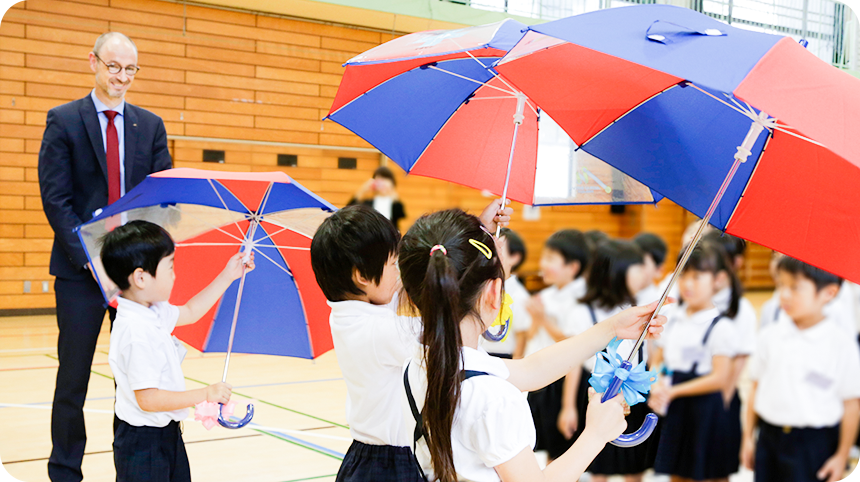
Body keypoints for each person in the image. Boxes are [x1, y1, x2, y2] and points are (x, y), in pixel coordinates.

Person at [398, 209, 669, 482]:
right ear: (494, 293)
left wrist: (611, 328)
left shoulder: (422, 359)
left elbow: (531, 370)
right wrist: (595, 434)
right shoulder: (491, 397)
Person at [38, 32, 172, 482]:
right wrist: (93, 262)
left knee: (134, 382)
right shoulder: (64, 120)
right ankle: (64, 472)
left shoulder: (149, 125)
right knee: (72, 380)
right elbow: (56, 200)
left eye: (130, 69)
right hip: (80, 274)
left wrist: (141, 265)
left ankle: (131, 470)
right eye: (114, 67)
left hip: (132, 274)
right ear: (93, 61)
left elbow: (161, 198)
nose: (122, 77)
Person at [310, 200, 512, 482]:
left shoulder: (353, 314)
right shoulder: (378, 330)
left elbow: (429, 275)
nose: (400, 273)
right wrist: (491, 275)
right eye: (394, 264)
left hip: (370, 458)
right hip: (390, 464)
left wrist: (477, 234)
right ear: (361, 277)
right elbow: (453, 323)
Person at [100, 221, 253, 482]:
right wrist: (205, 393)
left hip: (167, 433)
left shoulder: (153, 311)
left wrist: (229, 274)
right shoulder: (136, 332)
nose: (174, 275)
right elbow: (148, 400)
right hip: (142, 444)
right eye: (169, 267)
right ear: (140, 277)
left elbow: (192, 311)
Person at [741, 257, 860, 482]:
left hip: (815, 445)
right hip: (769, 437)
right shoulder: (770, 336)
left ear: (829, 293)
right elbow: (755, 388)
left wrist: (842, 456)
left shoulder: (840, 344)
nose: (784, 294)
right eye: (781, 285)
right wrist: (748, 438)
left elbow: (851, 406)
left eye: (795, 287)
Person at [558, 240, 654, 482]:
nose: (644, 273)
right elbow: (574, 365)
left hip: (632, 392)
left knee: (634, 464)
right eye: (637, 267)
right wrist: (568, 406)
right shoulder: (583, 312)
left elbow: (647, 353)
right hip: (596, 394)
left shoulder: (636, 308)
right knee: (600, 465)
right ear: (618, 273)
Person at [649, 243, 740, 482]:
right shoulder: (674, 319)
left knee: (706, 473)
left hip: (706, 409)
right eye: (683, 275)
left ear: (718, 280)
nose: (688, 284)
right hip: (676, 406)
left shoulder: (721, 326)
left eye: (697, 277)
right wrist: (656, 384)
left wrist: (673, 391)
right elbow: (658, 361)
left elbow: (720, 378)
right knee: (677, 472)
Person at [524, 229, 591, 461]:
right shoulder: (547, 295)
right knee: (536, 447)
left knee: (561, 452)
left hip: (565, 381)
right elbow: (533, 335)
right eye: (544, 257)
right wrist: (535, 319)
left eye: (551, 259)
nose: (542, 264)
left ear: (573, 267)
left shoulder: (581, 300)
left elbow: (574, 347)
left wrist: (542, 318)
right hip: (542, 377)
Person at [480, 228, 531, 359]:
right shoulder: (481, 287)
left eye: (499, 248)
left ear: (515, 257)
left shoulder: (519, 295)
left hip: (504, 357)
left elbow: (522, 337)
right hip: (479, 354)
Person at [348, 166, 406, 231]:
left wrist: (391, 191)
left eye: (385, 179)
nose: (382, 183)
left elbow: (400, 213)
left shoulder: (394, 204)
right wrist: (363, 190)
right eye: (379, 179)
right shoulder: (368, 202)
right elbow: (350, 208)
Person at [633, 232, 668, 307]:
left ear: (659, 270)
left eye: (641, 263)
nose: (633, 268)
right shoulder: (618, 298)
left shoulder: (662, 306)